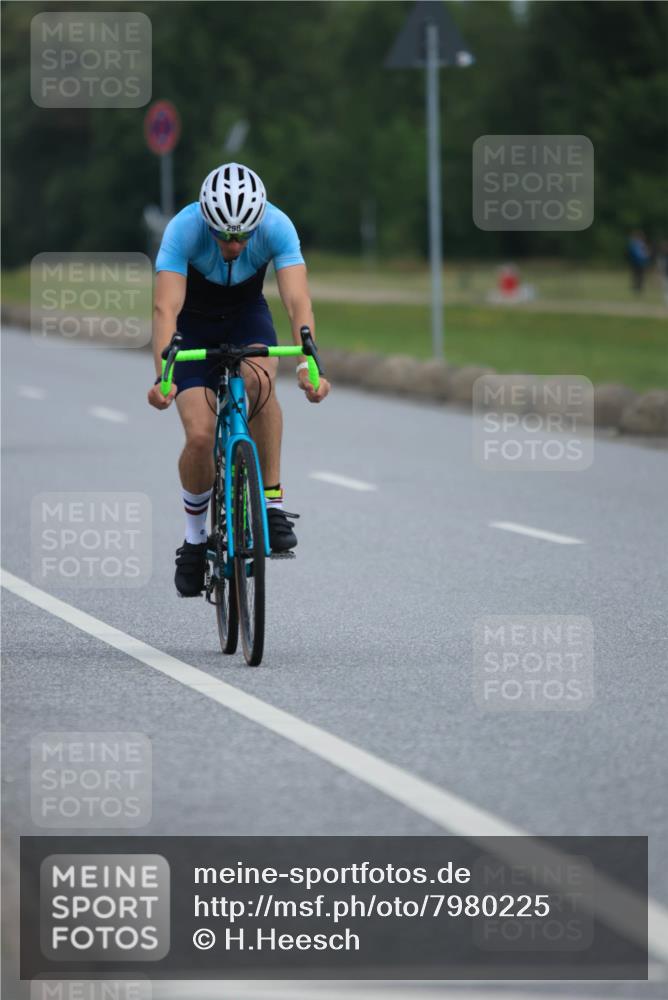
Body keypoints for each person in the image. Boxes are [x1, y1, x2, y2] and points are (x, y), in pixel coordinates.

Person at [147, 162, 331, 597]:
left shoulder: (277, 226)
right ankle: (194, 541)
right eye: (223, 235)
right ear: (207, 222)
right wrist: (163, 375)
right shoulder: (184, 229)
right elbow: (164, 310)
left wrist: (311, 368)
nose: (233, 245)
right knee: (199, 435)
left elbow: (297, 300)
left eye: (242, 236)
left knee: (262, 386)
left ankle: (271, 505)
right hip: (192, 325)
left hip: (246, 318)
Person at [627, 229, 651, 294]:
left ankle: (639, 288)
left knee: (640, 276)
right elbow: (638, 254)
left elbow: (645, 253)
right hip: (638, 262)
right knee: (637, 276)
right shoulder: (635, 244)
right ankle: (637, 288)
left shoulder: (639, 244)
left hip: (640, 262)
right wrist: (645, 255)